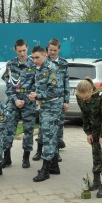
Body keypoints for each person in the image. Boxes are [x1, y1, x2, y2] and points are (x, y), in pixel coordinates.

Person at [29, 46, 63, 182]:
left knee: (48, 137)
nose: (34, 60)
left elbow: (55, 91)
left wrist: (38, 95)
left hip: (52, 107)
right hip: (45, 106)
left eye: (37, 57)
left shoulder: (51, 69)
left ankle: (45, 170)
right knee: (50, 136)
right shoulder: (40, 68)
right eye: (33, 58)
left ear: (44, 55)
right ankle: (54, 166)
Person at [32, 39, 69, 163]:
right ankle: (41, 151)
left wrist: (66, 100)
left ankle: (54, 156)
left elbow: (65, 84)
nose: (52, 52)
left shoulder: (61, 64)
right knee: (44, 128)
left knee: (56, 128)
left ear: (59, 50)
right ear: (46, 51)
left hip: (55, 102)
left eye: (55, 50)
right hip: (44, 102)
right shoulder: (40, 65)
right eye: (50, 50)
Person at [2, 39, 36, 169]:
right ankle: (7, 158)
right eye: (19, 51)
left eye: (24, 50)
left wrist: (26, 99)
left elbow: (36, 84)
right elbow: (8, 85)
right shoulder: (10, 64)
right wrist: (15, 100)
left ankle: (26, 158)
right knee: (8, 128)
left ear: (27, 48)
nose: (22, 53)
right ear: (15, 50)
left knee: (28, 130)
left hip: (28, 102)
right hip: (13, 102)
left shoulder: (33, 64)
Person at [76, 77, 102, 198]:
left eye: (86, 97)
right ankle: (97, 182)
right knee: (95, 153)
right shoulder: (80, 97)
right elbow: (84, 115)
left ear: (91, 91)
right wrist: (88, 133)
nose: (84, 100)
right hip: (93, 129)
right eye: (82, 98)